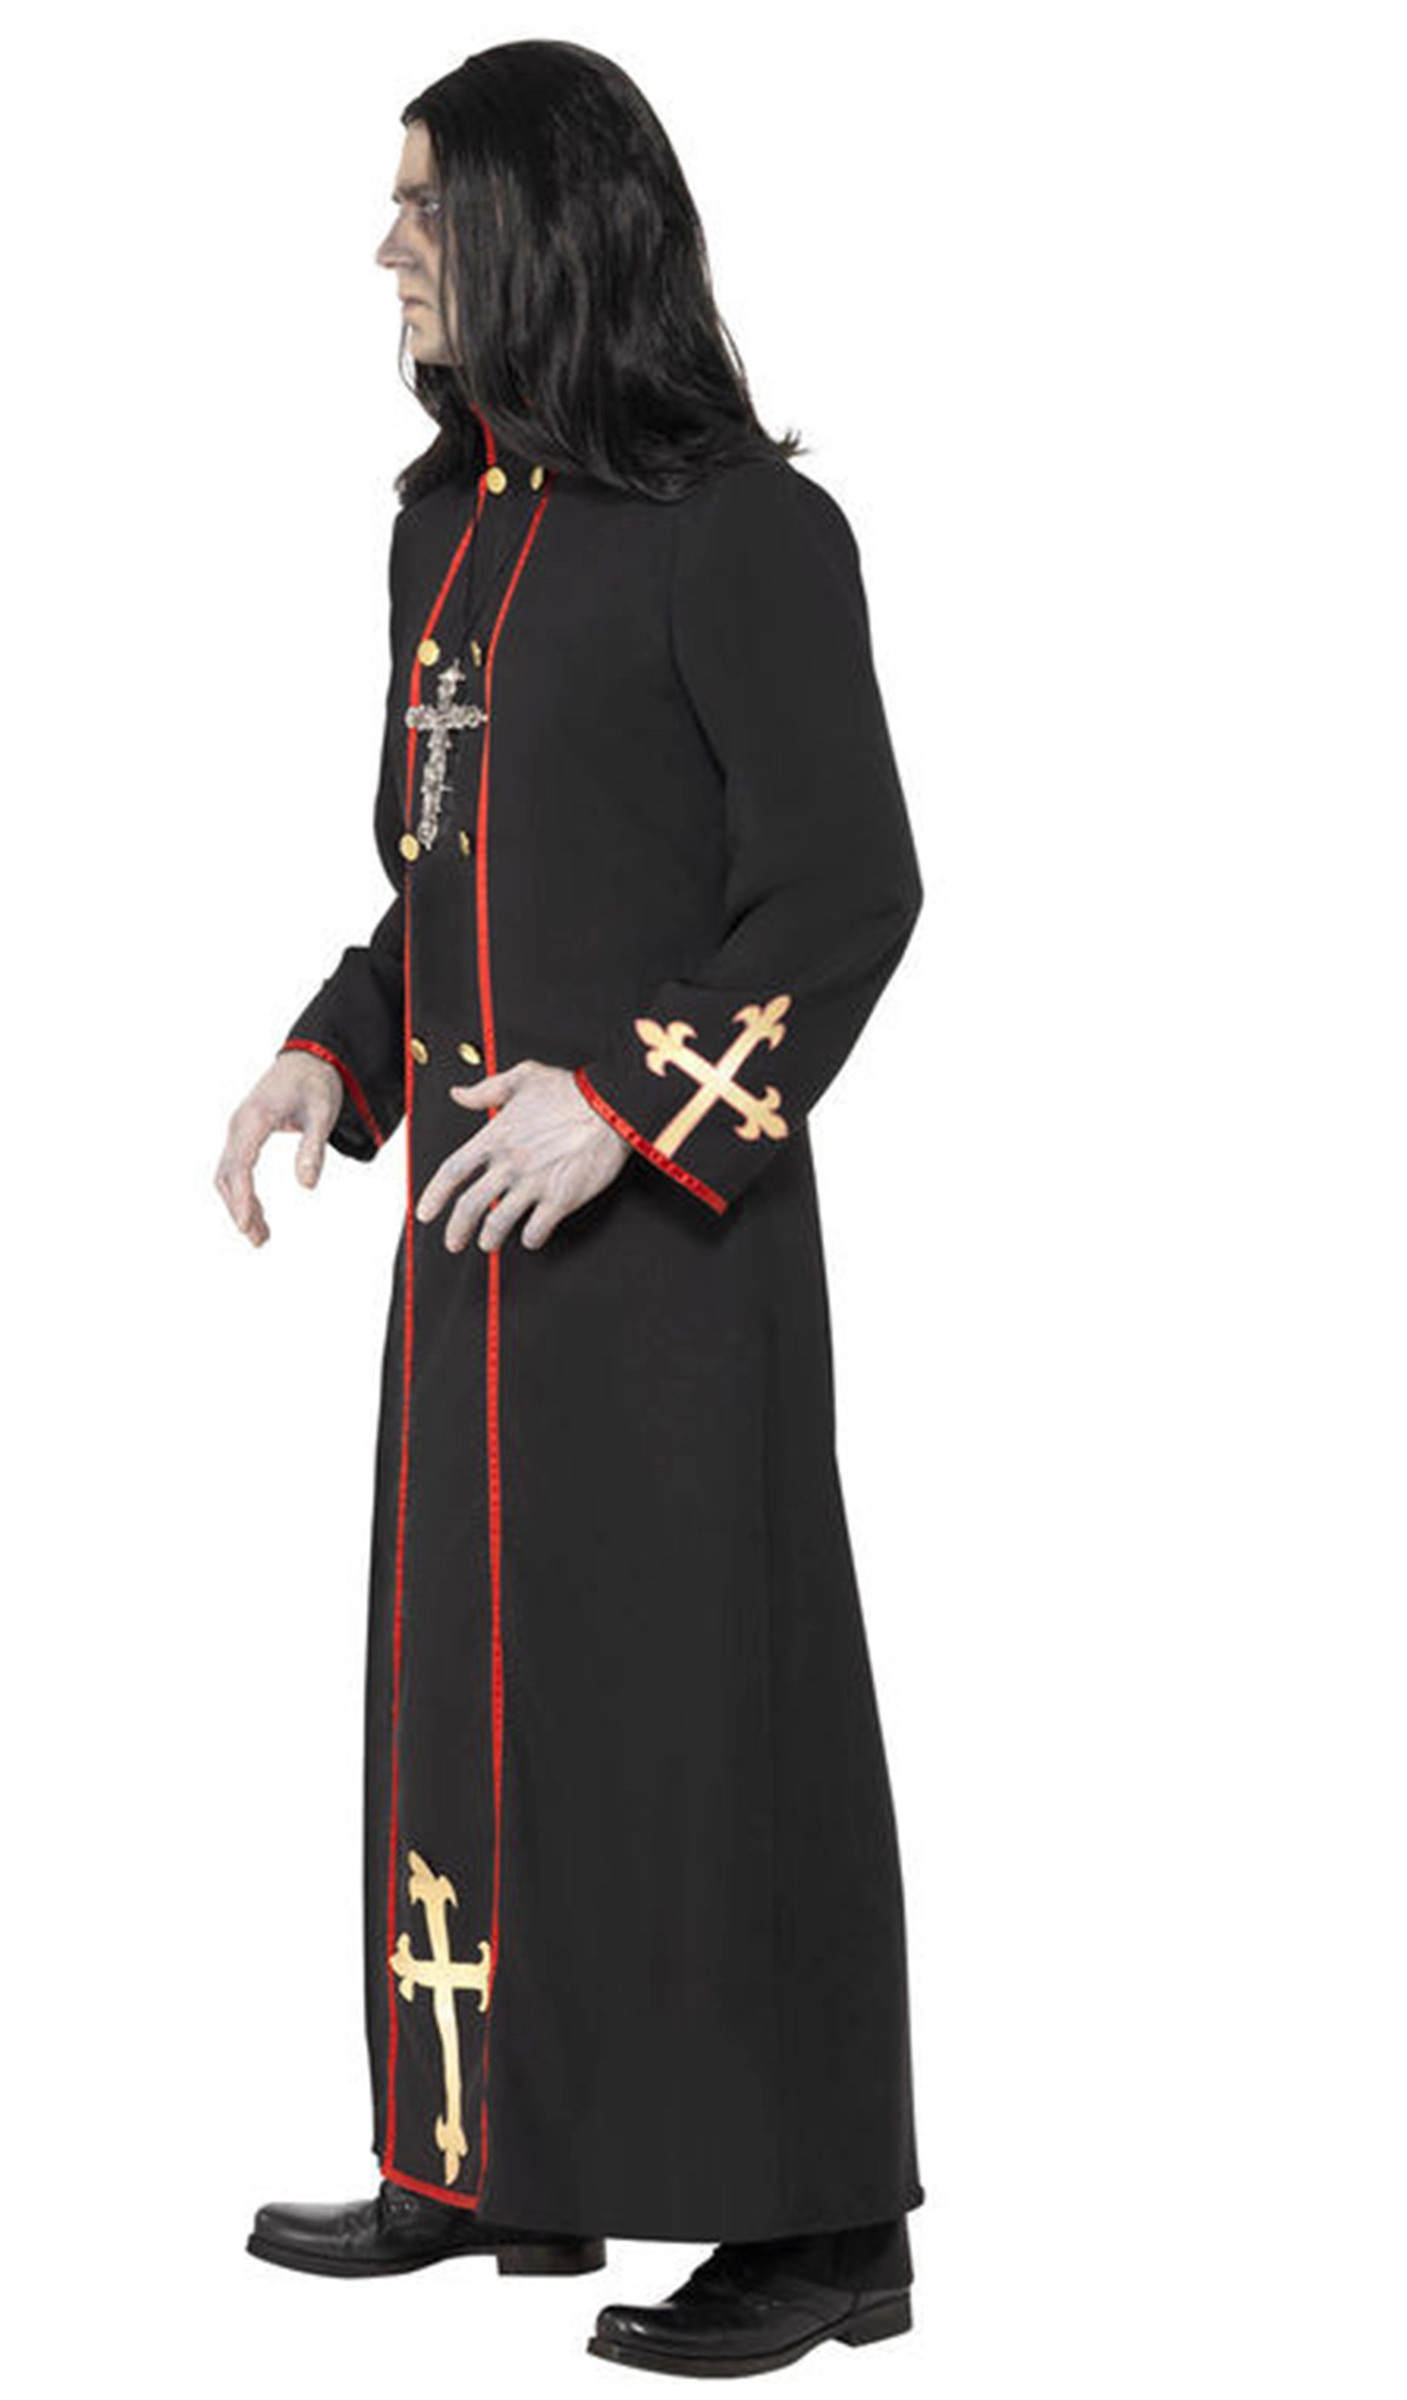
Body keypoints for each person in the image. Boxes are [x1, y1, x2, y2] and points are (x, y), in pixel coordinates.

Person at [213, 41, 927, 2379]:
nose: (388, 251)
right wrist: (331, 1054)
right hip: (470, 1266)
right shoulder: (441, 536)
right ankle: (480, 2158)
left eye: (425, 208)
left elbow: (843, 890)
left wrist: (629, 1107)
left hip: (675, 1268)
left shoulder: (748, 532)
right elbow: (438, 893)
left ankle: (822, 2230)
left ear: (549, 225)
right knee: (472, 1709)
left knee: (704, 1729)